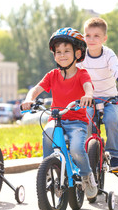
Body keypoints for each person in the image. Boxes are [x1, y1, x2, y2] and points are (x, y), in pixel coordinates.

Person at [21, 27, 98, 198]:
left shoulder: (81, 74)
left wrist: (88, 95)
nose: (62, 55)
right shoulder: (53, 75)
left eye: (66, 51)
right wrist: (29, 99)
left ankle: (87, 175)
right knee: (47, 134)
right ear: (54, 55)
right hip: (57, 120)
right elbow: (36, 89)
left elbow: (88, 86)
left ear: (77, 54)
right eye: (58, 52)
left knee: (77, 148)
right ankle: (48, 170)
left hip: (77, 121)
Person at [77, 17, 118, 171]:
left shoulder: (109, 54)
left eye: (96, 36)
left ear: (104, 38)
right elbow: (75, 75)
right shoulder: (81, 55)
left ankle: (115, 156)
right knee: (86, 120)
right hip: (89, 98)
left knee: (111, 120)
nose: (91, 39)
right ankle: (85, 153)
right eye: (88, 35)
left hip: (110, 98)